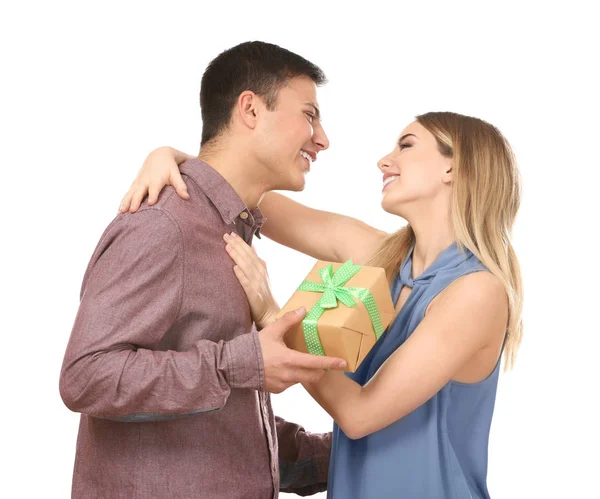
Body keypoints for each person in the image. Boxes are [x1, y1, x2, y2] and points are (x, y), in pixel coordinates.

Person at [120, 111, 523, 498]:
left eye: (406, 145)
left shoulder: (476, 292)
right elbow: (245, 194)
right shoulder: (385, 256)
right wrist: (169, 157)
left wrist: (271, 314)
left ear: (452, 169)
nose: (385, 160)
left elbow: (360, 415)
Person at [59, 41, 349, 499]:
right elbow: (85, 377)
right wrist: (240, 362)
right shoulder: (165, 226)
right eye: (310, 115)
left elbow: (214, 416)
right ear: (251, 110)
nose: (323, 138)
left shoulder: (226, 229)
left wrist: (350, 453)